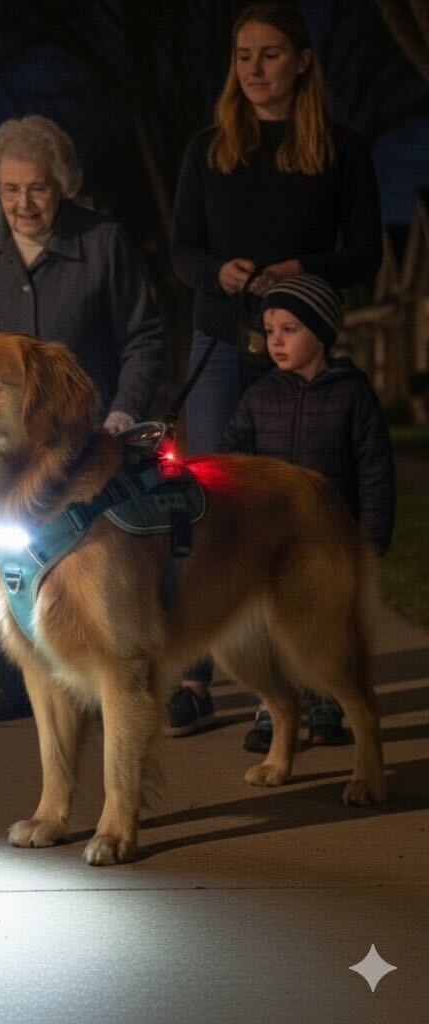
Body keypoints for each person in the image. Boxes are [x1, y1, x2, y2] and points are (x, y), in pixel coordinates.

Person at [164, 2, 383, 737]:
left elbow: (366, 254)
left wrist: (302, 269)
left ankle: (294, 690)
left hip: (301, 347)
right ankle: (194, 673)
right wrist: (216, 274)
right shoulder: (209, 147)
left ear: (302, 60)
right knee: (209, 501)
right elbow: (181, 250)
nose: (255, 70)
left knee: (293, 508)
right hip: (224, 339)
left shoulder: (342, 150)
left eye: (270, 54)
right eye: (244, 56)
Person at [0, 114, 164, 721]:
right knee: (3, 545)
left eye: (38, 188)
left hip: (83, 439)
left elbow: (144, 334)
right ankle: (16, 677)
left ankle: (105, 667)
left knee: (93, 554)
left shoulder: (101, 241)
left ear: (63, 185)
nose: (23, 203)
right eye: (10, 189)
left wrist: (124, 411)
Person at [220, 273, 394, 751]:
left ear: (322, 332)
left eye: (290, 329)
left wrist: (373, 538)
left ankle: (326, 705)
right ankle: (272, 710)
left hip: (330, 540)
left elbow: (375, 470)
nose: (275, 341)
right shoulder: (258, 398)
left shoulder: (352, 395)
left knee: (325, 632)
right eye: (270, 330)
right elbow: (233, 459)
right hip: (271, 542)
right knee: (271, 632)